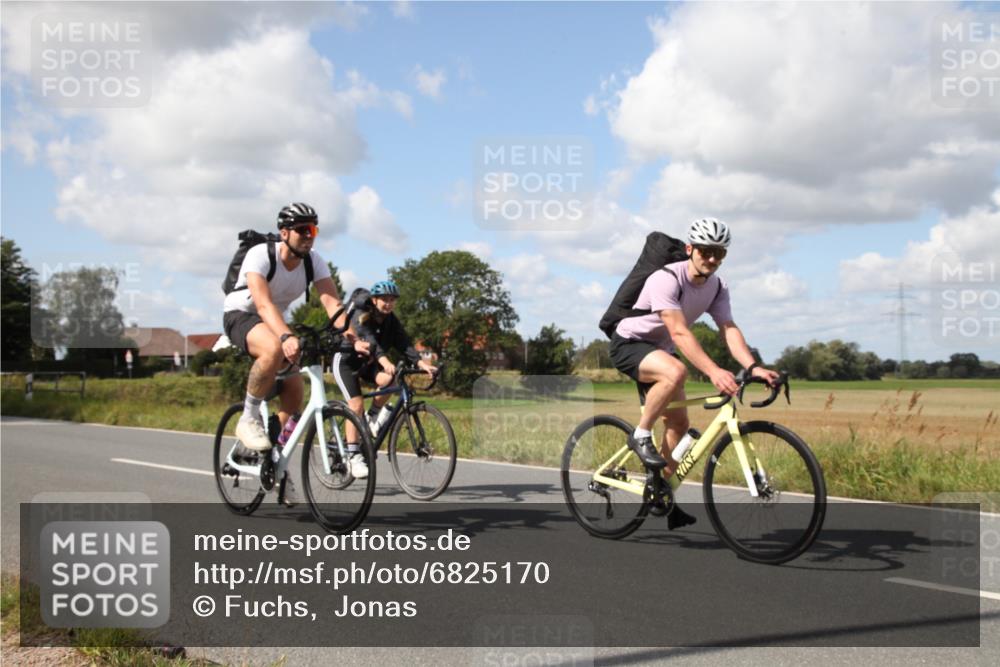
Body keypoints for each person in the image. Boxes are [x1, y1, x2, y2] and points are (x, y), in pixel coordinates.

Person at [609, 217, 780, 528]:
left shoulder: (717, 287)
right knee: (675, 371)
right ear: (690, 249)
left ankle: (660, 494)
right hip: (630, 343)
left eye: (719, 253)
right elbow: (678, 332)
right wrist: (714, 371)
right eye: (705, 251)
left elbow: (727, 328)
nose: (712, 259)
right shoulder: (666, 279)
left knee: (678, 423)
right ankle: (640, 434)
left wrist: (752, 366)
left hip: (660, 350)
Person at [222, 203, 369, 502]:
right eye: (302, 230)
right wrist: (286, 335)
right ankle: (248, 418)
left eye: (313, 230)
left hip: (276, 321)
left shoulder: (314, 262)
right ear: (284, 233)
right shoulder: (261, 254)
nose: (309, 236)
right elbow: (262, 304)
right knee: (274, 347)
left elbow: (332, 304)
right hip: (242, 315)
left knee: (295, 393)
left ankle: (277, 463)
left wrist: (352, 336)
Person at [332, 279, 437, 478]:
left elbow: (404, 343)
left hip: (366, 364)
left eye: (392, 300)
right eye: (384, 300)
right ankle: (353, 456)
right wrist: (385, 361)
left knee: (391, 380)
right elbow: (370, 341)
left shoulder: (390, 320)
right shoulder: (363, 315)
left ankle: (372, 418)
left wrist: (422, 365)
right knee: (355, 405)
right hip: (345, 361)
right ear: (374, 300)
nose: (388, 303)